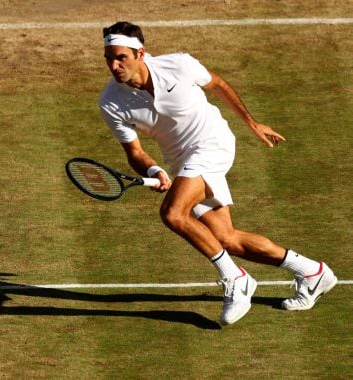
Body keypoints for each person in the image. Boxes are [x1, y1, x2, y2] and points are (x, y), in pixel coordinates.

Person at [98, 21, 337, 325]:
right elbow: (135, 153)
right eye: (108, 58)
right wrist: (154, 169)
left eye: (121, 57)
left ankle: (236, 279)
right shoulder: (111, 102)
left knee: (173, 214)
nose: (114, 65)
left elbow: (218, 84)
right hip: (181, 162)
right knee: (226, 239)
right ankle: (313, 273)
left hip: (213, 144)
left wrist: (252, 123)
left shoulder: (179, 65)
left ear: (140, 53)